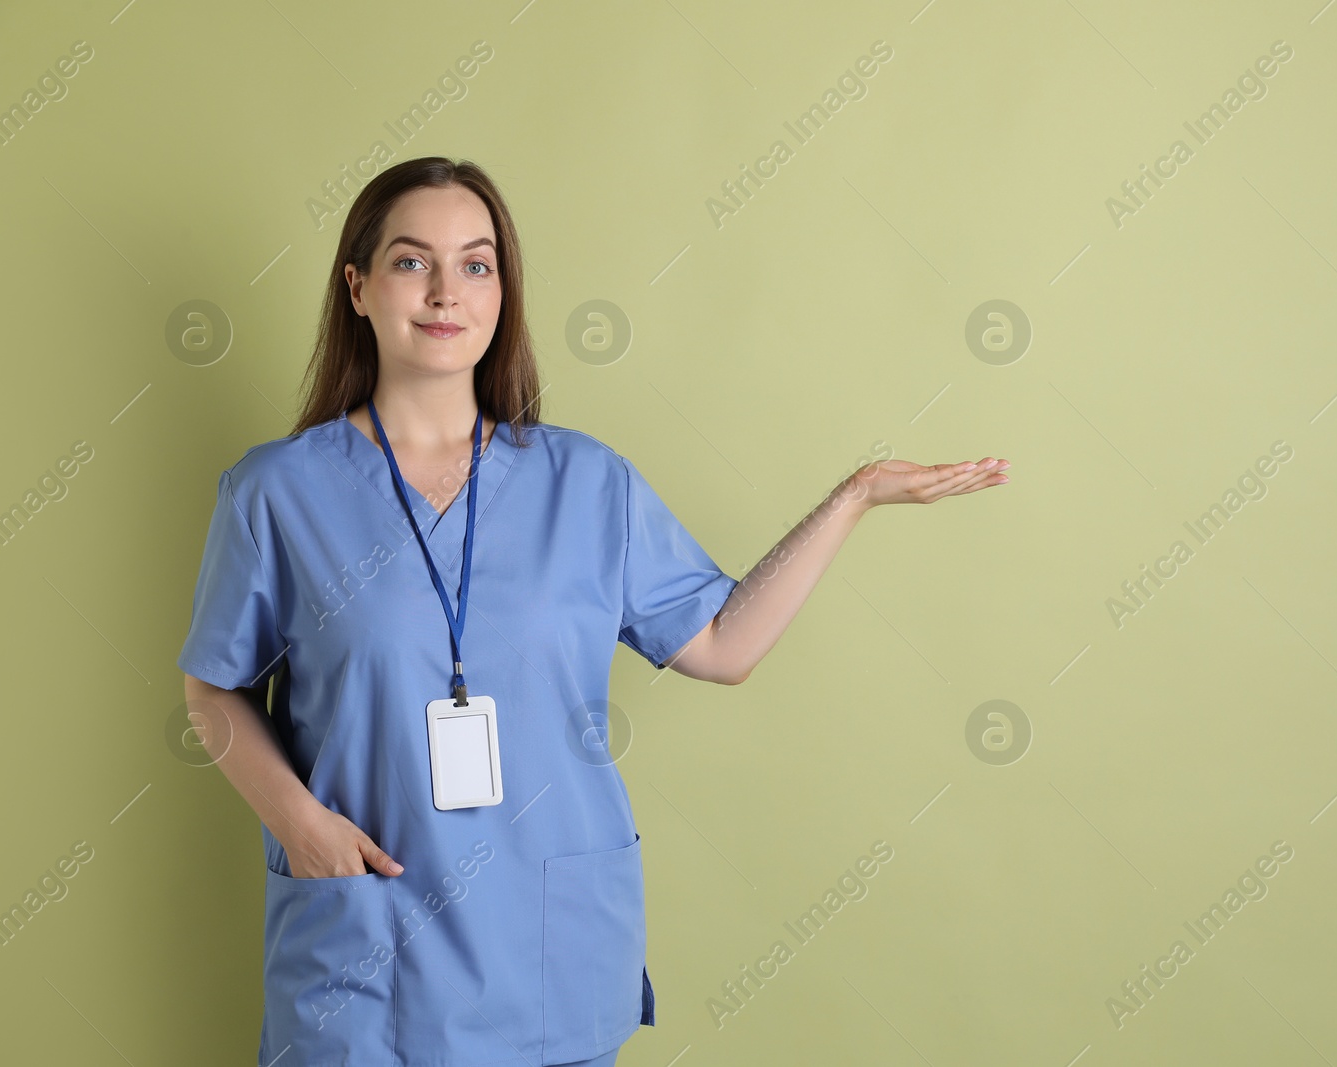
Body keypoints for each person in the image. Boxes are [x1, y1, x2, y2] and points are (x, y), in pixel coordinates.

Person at [177, 155, 1009, 1067]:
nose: (447, 291)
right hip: (367, 952)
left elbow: (724, 643)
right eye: (413, 262)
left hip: (547, 952)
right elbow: (214, 690)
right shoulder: (276, 493)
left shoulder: (586, 483)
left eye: (478, 263)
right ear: (359, 287)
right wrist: (300, 824)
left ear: (504, 291)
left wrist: (854, 496)